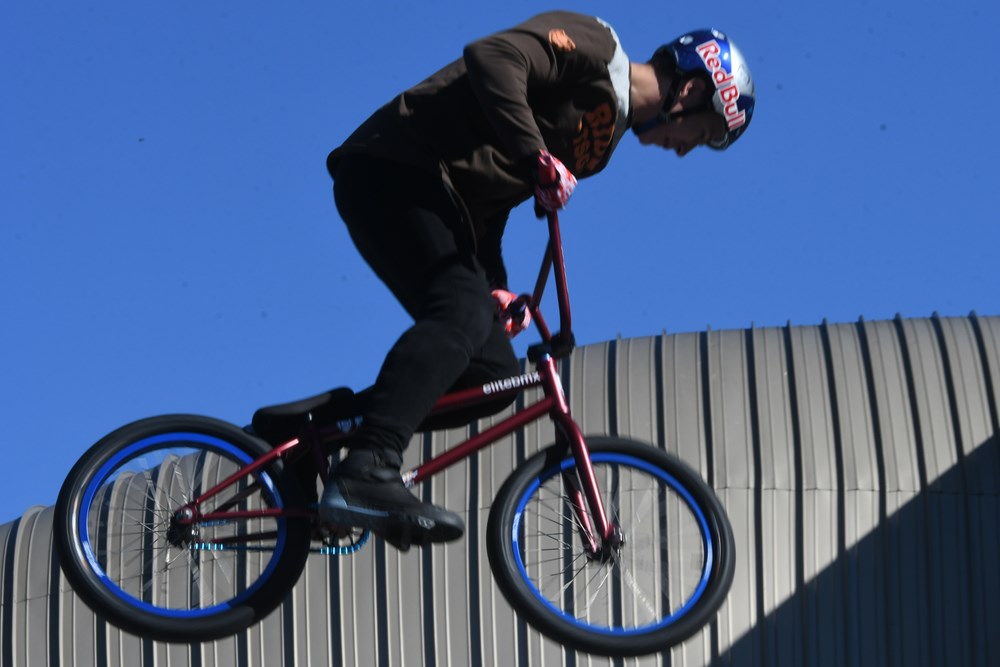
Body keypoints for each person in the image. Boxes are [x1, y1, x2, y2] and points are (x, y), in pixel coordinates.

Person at [319, 11, 756, 549]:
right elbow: (492, 57)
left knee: (491, 374)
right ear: (690, 89)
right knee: (461, 312)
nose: (686, 149)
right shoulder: (598, 48)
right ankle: (369, 464)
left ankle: (315, 434)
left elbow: (492, 200)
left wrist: (495, 283)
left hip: (441, 200)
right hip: (398, 163)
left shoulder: (599, 147)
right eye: (702, 132)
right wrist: (535, 155)